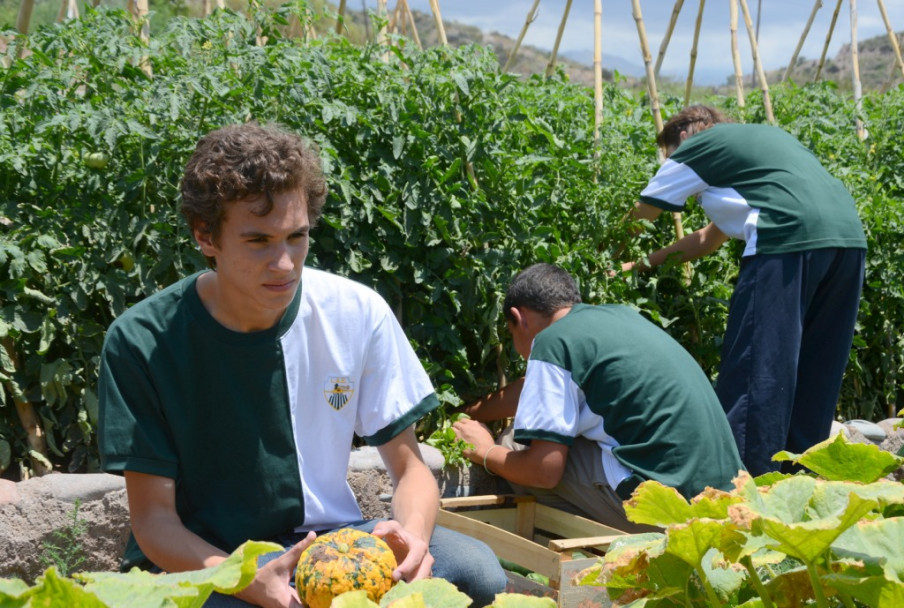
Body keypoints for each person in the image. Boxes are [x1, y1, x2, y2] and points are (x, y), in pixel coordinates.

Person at [97, 123, 506, 608]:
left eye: (297, 236)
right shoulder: (141, 340)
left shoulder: (356, 311)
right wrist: (245, 580)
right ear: (205, 235)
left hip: (328, 541)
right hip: (209, 559)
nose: (286, 263)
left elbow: (411, 468)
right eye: (258, 241)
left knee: (476, 571)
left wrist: (411, 541)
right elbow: (154, 524)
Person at [619, 105, 867, 476]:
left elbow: (641, 215)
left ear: (684, 137)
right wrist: (640, 264)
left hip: (786, 239)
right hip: (847, 243)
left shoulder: (696, 147)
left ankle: (744, 492)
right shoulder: (756, 145)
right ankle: (800, 487)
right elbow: (707, 239)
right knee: (814, 372)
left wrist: (604, 257)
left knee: (757, 371)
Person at [451, 263, 744, 533]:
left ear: (518, 318)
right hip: (725, 499)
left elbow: (543, 470)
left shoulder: (551, 343)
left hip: (669, 511)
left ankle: (590, 540)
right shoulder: (615, 317)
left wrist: (484, 451)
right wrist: (470, 411)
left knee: (514, 444)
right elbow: (533, 389)